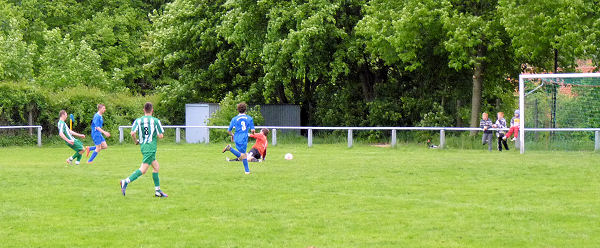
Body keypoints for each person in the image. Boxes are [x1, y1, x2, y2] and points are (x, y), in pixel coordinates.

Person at [119, 102, 168, 197]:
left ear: (144, 110)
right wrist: (158, 135)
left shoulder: (138, 120)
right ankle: (126, 181)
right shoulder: (156, 121)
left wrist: (136, 141)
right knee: (143, 169)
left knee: (156, 167)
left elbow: (132, 133)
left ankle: (158, 191)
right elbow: (161, 136)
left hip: (144, 147)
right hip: (150, 147)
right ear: (152, 110)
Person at [225, 102, 255, 174]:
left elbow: (229, 131)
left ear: (238, 110)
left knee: (243, 154)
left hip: (237, 137)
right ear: (245, 110)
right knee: (243, 155)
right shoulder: (249, 118)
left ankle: (247, 171)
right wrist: (252, 134)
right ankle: (230, 149)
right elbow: (253, 130)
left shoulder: (234, 119)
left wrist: (233, 135)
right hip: (244, 137)